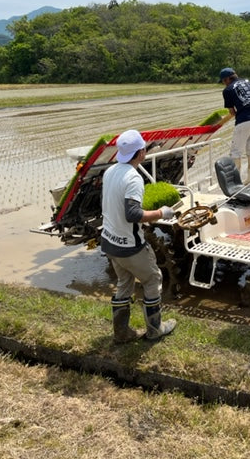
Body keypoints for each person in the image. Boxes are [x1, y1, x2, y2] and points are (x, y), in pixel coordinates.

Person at [101, 129, 177, 343]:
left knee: (124, 283)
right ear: (140, 153)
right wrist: (162, 213)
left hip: (110, 242)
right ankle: (155, 330)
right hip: (129, 246)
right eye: (143, 148)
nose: (145, 150)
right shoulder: (133, 178)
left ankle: (122, 334)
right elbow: (132, 214)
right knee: (153, 279)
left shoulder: (110, 171)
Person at [218, 67, 250, 182]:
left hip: (244, 121)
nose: (224, 84)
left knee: (236, 152)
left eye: (224, 81)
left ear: (227, 79)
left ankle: (236, 182)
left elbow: (232, 112)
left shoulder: (227, 90)